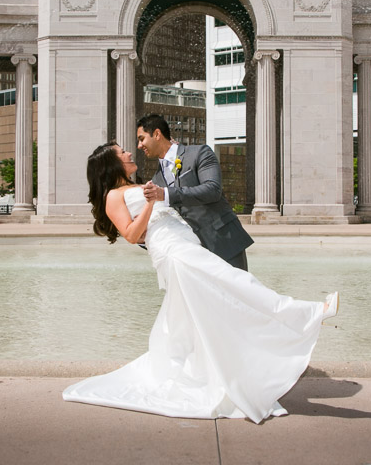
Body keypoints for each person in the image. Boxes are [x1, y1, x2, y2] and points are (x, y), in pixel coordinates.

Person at [62, 142, 338, 423]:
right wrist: (151, 203)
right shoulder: (112, 196)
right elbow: (132, 235)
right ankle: (309, 312)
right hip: (174, 252)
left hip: (186, 244)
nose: (129, 153)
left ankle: (220, 379)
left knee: (205, 317)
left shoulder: (140, 185)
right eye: (122, 152)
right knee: (235, 282)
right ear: (111, 163)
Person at [136, 113, 253, 271]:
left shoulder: (199, 153)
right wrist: (144, 237)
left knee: (241, 293)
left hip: (224, 242)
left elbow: (212, 190)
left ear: (157, 134)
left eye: (141, 138)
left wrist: (165, 194)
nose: (139, 145)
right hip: (192, 254)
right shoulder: (156, 180)